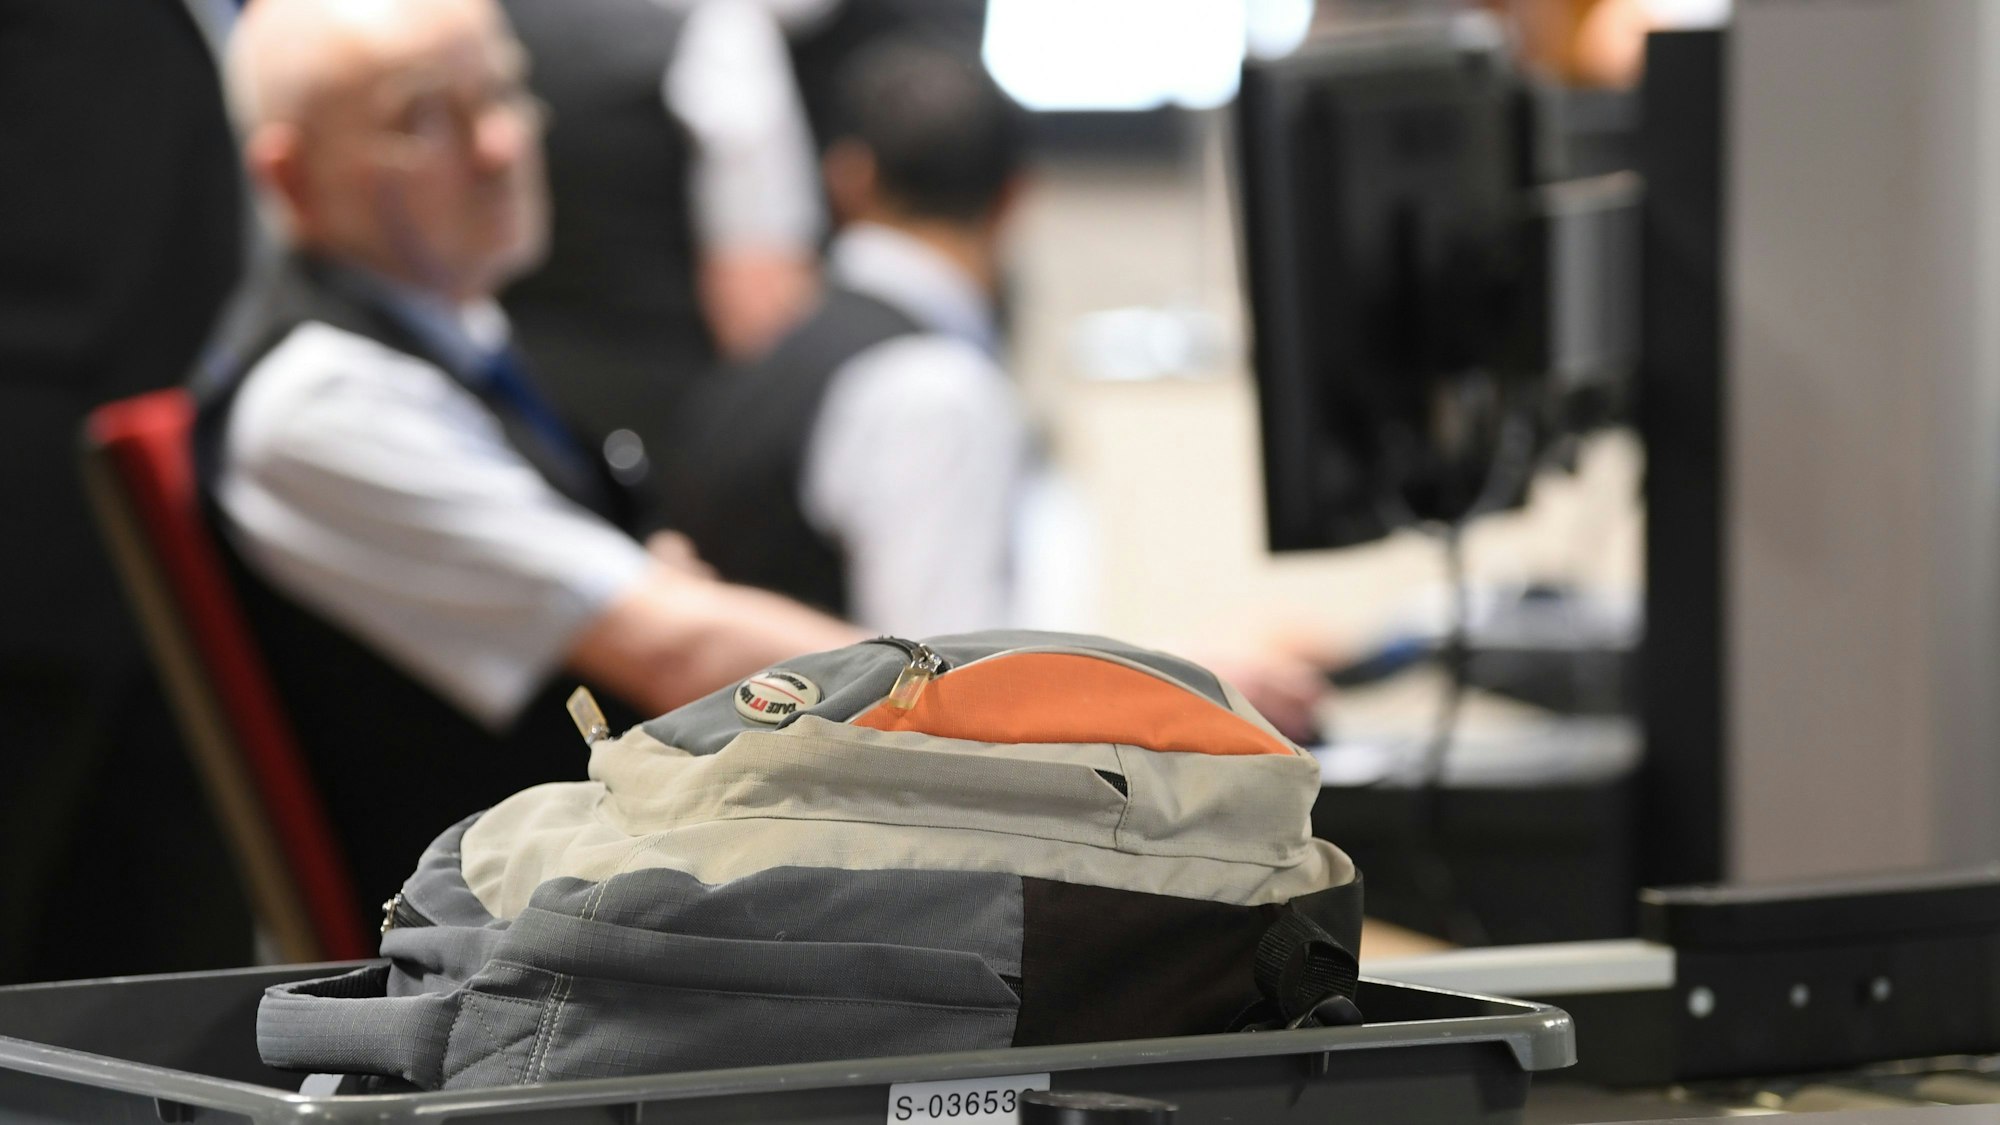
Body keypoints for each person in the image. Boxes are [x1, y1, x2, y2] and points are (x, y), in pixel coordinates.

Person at [206, 0, 859, 921]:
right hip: (496, 971)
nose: (498, 146)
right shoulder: (323, 400)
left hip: (595, 903)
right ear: (290, 176)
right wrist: (971, 688)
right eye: (422, 119)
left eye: (505, 90)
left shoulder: (457, 332)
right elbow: (680, 648)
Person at [666, 41, 1331, 739]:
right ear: (1017, 194)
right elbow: (946, 696)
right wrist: (1182, 680)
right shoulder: (933, 390)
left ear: (849, 180)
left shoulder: (774, 360)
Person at [495, 0, 822, 497]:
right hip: (659, 451)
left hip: (484, 419)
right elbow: (759, 304)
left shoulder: (454, 26)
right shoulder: (716, 32)